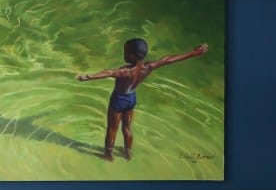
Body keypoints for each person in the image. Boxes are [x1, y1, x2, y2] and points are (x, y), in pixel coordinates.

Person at [76, 39, 208, 161]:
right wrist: (193, 53)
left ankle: (108, 155)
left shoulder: (125, 71)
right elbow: (168, 59)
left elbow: (109, 72)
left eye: (126, 52)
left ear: (133, 55)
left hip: (119, 99)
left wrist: (90, 77)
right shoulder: (148, 67)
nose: (124, 54)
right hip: (131, 98)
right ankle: (128, 153)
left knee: (112, 128)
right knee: (127, 127)